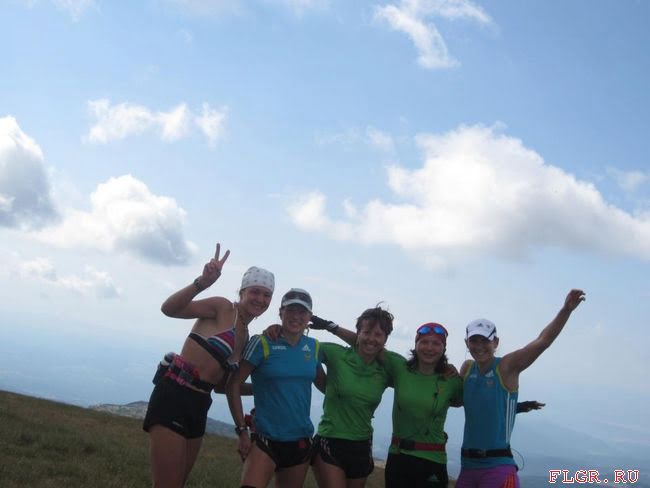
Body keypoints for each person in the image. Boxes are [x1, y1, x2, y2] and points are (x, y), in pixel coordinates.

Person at [310, 318, 544, 488]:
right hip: (399, 457)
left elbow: (478, 401)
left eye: (436, 343)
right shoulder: (400, 367)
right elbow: (368, 344)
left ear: (443, 349)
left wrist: (516, 406)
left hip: (433, 460)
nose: (429, 348)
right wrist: (332, 327)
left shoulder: (451, 380)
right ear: (416, 344)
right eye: (424, 342)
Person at [142, 243, 274, 488]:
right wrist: (202, 283)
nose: (260, 299)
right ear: (242, 292)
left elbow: (223, 386)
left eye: (267, 295)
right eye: (255, 292)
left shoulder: (246, 336)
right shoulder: (222, 308)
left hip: (200, 403)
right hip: (175, 394)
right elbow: (169, 309)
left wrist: (263, 388)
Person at [456, 289, 585, 488]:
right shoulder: (466, 369)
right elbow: (465, 402)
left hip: (497, 468)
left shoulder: (506, 366)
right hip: (468, 467)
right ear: (466, 343)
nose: (479, 346)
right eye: (474, 340)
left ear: (495, 342)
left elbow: (542, 342)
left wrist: (566, 310)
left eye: (485, 340)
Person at [226, 288, 326, 488]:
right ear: (281, 313)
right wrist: (242, 430)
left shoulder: (314, 347)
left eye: (302, 312)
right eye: (290, 310)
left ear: (310, 317)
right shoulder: (262, 342)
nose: (296, 316)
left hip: (300, 439)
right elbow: (233, 385)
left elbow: (326, 387)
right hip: (265, 438)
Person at [309, 306, 395, 488]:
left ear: (385, 339)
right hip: (330, 439)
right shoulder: (336, 354)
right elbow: (301, 347)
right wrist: (323, 382)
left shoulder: (387, 370)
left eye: (378, 334)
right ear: (358, 333)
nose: (371, 339)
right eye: (367, 332)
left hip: (362, 444)